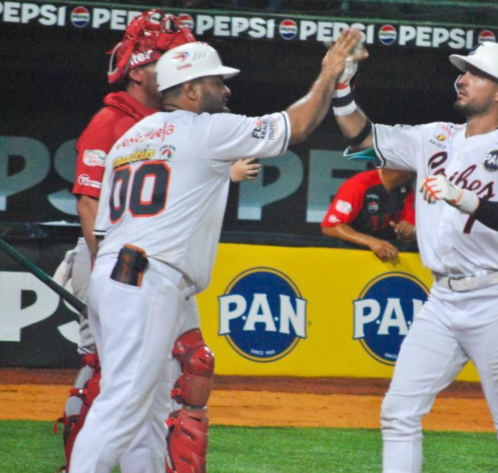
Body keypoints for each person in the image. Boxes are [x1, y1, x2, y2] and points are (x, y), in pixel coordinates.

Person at [68, 29, 364, 473]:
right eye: (216, 81)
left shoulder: (132, 137)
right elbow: (296, 126)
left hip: (114, 271)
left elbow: (105, 231)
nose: (226, 89)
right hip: (147, 278)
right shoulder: (204, 130)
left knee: (145, 409)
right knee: (125, 403)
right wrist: (327, 74)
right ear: (189, 89)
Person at [54, 10, 262, 473]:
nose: (178, 63)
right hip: (120, 262)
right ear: (142, 68)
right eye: (168, 56)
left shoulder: (167, 124)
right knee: (115, 387)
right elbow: (89, 206)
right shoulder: (114, 122)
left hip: (145, 263)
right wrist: (111, 271)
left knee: (182, 372)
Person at [334, 42, 498, 472]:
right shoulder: (435, 137)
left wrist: (462, 197)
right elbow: (362, 139)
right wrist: (341, 88)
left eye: (476, 74)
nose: (462, 79)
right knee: (398, 412)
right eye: (463, 72)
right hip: (443, 300)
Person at [321, 168, 416, 261]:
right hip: (349, 254)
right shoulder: (359, 183)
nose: (418, 170)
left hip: (387, 255)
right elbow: (331, 226)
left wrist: (407, 233)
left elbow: (407, 235)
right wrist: (371, 242)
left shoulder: (407, 189)